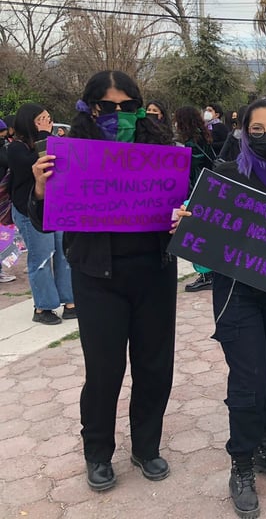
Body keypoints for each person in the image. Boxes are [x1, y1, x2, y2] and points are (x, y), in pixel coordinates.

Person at [174, 98, 266, 519]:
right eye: (255, 130)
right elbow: (199, 224)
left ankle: (264, 444)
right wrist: (186, 219)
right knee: (248, 378)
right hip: (237, 294)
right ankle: (240, 464)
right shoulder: (225, 174)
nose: (265, 136)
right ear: (243, 132)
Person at [29, 71, 177, 492]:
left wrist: (184, 216)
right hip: (97, 277)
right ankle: (97, 452)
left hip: (154, 273)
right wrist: (41, 190)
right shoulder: (68, 156)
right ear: (89, 109)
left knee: (153, 366)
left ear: (140, 107)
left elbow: (183, 209)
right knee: (104, 371)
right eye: (106, 107)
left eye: (128, 106)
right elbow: (43, 221)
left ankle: (146, 448)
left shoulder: (161, 152)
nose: (118, 114)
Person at [7, 103, 74, 325]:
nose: (48, 123)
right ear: (29, 122)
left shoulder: (54, 141)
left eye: (49, 118)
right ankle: (42, 307)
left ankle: (70, 300)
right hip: (30, 211)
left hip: (56, 208)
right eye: (41, 119)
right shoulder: (16, 148)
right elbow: (37, 165)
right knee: (42, 257)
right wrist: (45, 135)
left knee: (64, 255)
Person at [176, 106, 217, 293]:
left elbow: (192, 164)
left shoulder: (191, 141)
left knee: (195, 231)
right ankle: (211, 272)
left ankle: (206, 274)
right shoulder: (205, 135)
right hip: (208, 188)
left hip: (196, 190)